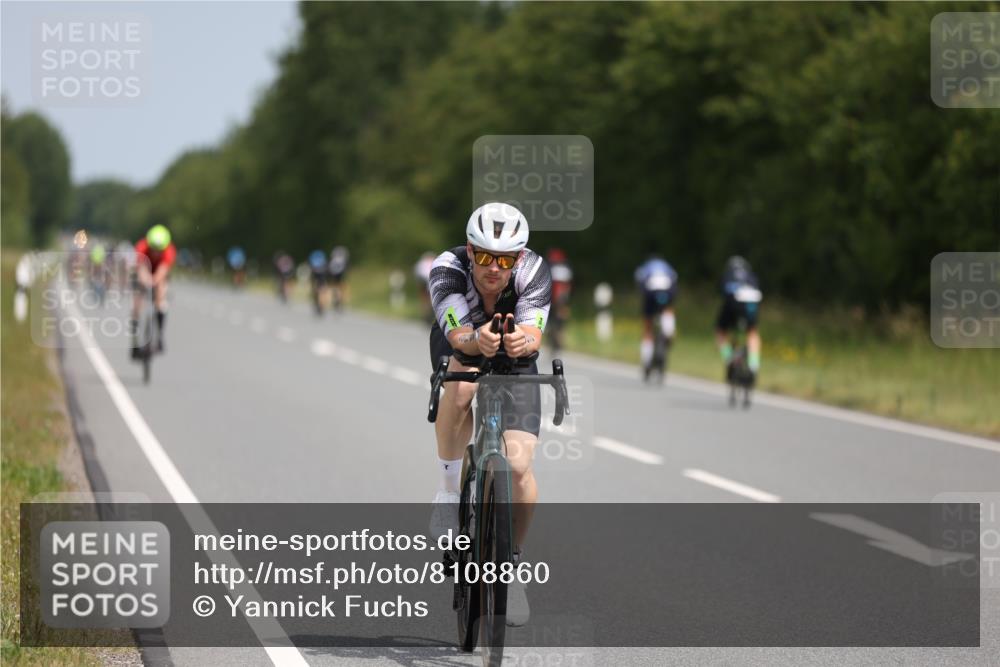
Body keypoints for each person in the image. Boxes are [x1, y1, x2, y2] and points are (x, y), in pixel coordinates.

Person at [428, 202, 550, 627]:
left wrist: (524, 343)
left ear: (518, 258)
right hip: (462, 339)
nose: (492, 268)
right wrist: (473, 340)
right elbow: (456, 332)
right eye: (483, 256)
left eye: (503, 259)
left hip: (511, 348)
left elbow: (535, 332)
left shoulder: (534, 271)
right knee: (461, 389)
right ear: (469, 249)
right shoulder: (447, 269)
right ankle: (447, 491)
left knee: (518, 465)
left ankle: (510, 564)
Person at [715, 255, 762, 383]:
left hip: (733, 303)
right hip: (750, 305)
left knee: (721, 331)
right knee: (752, 332)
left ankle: (729, 358)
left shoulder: (728, 275)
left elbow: (723, 293)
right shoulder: (751, 276)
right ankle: (754, 365)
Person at [131, 225, 176, 357]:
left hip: (158, 273)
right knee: (137, 304)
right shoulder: (142, 247)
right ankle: (135, 339)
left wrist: (155, 282)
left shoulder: (169, 251)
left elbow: (163, 270)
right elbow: (141, 269)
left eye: (159, 250)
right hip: (144, 270)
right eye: (153, 249)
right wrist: (146, 281)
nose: (156, 252)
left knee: (161, 298)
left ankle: (160, 335)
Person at [634, 252, 678, 377]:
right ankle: (669, 331)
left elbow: (639, 283)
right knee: (668, 309)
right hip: (668, 292)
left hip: (650, 294)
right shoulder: (667, 266)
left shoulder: (645, 267)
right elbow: (675, 281)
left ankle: (646, 360)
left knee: (647, 328)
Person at [545, 248, 573, 353]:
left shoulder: (548, 267)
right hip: (561, 299)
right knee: (560, 322)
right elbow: (567, 287)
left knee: (553, 321)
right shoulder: (565, 268)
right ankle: (558, 340)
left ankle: (553, 339)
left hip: (550, 299)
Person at [413, 251, 436, 323]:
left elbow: (417, 274)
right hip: (430, 281)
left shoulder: (422, 263)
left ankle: (426, 314)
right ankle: (428, 313)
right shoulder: (435, 261)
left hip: (426, 281)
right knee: (428, 299)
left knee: (425, 299)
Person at [328, 245, 350, 310]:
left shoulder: (333, 260)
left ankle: (336, 298)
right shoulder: (343, 259)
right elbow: (346, 268)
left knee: (335, 287)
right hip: (341, 275)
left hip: (334, 275)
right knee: (342, 287)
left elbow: (330, 269)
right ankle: (341, 300)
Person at [308, 249, 329, 315]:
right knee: (322, 290)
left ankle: (319, 304)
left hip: (316, 277)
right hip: (322, 277)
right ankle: (321, 305)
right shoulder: (323, 261)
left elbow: (311, 271)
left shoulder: (313, 260)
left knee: (316, 290)